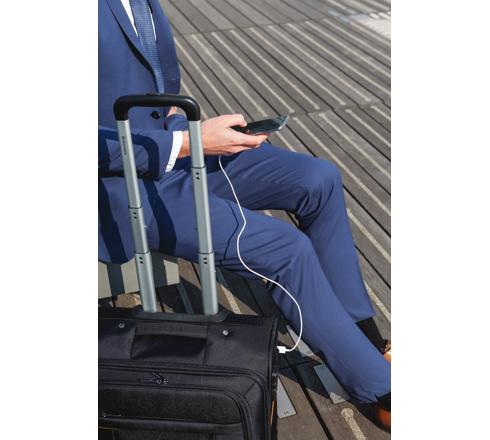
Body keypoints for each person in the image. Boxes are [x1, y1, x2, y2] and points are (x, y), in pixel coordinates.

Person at [98, 0, 391, 429]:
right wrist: (187, 142)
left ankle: (364, 340)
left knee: (318, 179)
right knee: (285, 249)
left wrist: (187, 128)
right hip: (117, 187)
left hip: (173, 152)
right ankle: (379, 388)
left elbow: (155, 92)